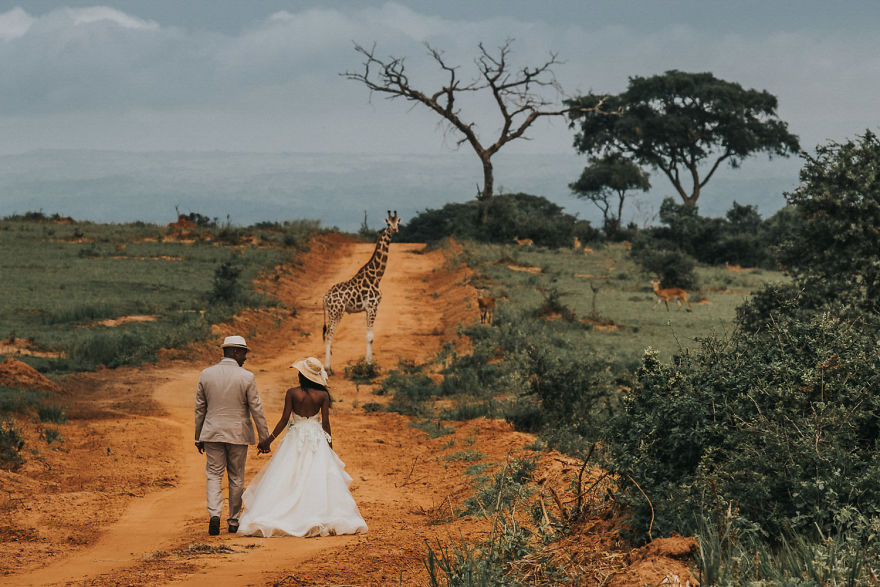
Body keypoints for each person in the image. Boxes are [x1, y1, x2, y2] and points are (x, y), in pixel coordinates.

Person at [236, 356, 368, 537]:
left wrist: (269, 440)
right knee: (316, 476)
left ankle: (283, 512)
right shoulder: (322, 396)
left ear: (302, 376)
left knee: (288, 474)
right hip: (316, 439)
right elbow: (326, 424)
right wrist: (330, 448)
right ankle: (315, 510)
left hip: (295, 437)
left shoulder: (292, 393)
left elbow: (284, 420)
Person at [194, 335, 270, 536]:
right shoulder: (246, 377)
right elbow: (257, 409)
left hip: (211, 433)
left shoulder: (206, 374)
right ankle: (234, 520)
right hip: (238, 434)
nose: (245, 357)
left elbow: (200, 409)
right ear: (236, 352)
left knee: (213, 475)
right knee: (236, 476)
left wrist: (198, 436)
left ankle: (214, 516)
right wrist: (265, 437)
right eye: (244, 352)